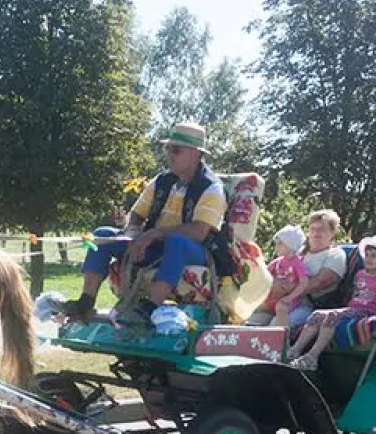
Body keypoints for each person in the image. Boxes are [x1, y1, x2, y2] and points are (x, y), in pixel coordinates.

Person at [62, 122, 228, 322]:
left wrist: (152, 234)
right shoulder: (161, 181)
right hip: (156, 245)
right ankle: (85, 302)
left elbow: (199, 231)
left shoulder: (212, 188)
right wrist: (133, 233)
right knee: (103, 236)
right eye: (167, 148)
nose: (169, 154)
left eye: (176, 150)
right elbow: (138, 214)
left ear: (195, 153)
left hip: (194, 251)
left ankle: (150, 308)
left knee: (177, 242)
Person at [286, 234, 376, 370]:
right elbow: (354, 297)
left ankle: (312, 357)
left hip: (368, 311)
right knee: (316, 314)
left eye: (374, 255)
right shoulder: (360, 274)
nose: (368, 259)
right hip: (351, 310)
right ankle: (294, 351)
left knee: (332, 316)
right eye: (367, 255)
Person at [248, 224, 309, 327]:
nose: (276, 246)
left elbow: (304, 283)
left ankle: (282, 336)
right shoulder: (277, 262)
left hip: (289, 301)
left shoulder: (297, 263)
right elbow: (264, 275)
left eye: (280, 243)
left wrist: (289, 298)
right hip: (273, 300)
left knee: (281, 307)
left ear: (290, 245)